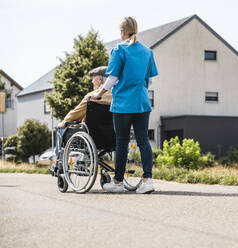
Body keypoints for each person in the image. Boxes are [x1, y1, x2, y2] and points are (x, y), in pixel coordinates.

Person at [92, 17, 158, 194]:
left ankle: (118, 182)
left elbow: (112, 78)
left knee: (121, 142)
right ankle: (147, 180)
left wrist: (98, 94)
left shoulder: (119, 49)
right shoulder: (147, 51)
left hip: (123, 103)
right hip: (142, 102)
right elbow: (149, 80)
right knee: (143, 140)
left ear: (122, 32)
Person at [49, 66, 112, 175]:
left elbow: (76, 113)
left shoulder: (92, 96)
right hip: (112, 136)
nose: (92, 82)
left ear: (100, 80)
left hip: (92, 135)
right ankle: (82, 162)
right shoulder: (118, 96)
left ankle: (58, 164)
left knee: (61, 130)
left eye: (93, 79)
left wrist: (64, 122)